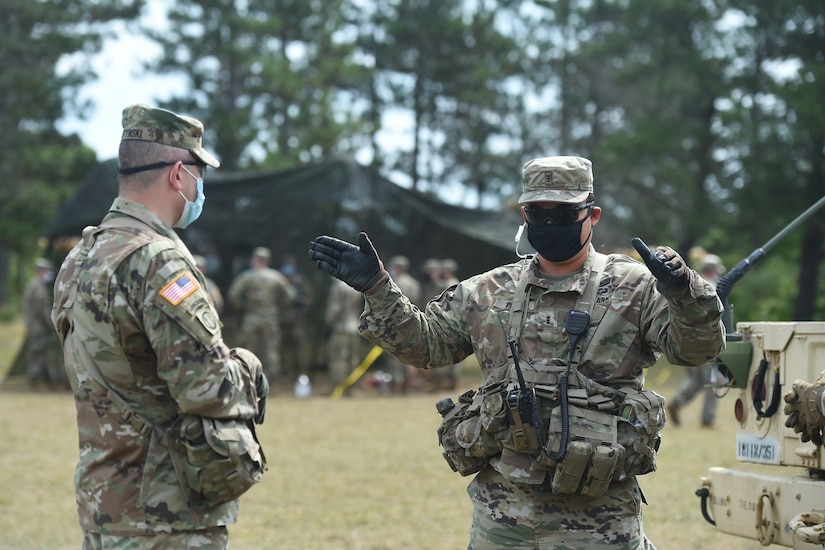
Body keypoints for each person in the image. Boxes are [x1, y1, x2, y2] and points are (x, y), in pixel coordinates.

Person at [309, 155, 725, 549]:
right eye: (537, 214)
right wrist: (378, 288)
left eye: (562, 215)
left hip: (600, 519)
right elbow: (427, 345)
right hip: (501, 515)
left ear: (592, 216)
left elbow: (695, 351)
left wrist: (684, 295)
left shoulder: (636, 286)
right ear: (524, 216)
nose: (548, 223)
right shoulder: (488, 290)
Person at [50, 103, 268, 549]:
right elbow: (207, 388)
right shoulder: (158, 262)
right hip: (166, 513)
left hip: (106, 504)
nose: (199, 185)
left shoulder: (82, 256)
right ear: (177, 174)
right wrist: (248, 366)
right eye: (198, 173)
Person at [667, 253, 726, 428]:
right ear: (712, 270)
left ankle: (677, 402)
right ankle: (707, 420)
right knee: (714, 381)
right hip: (707, 341)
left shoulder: (692, 285)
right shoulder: (712, 287)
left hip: (688, 340)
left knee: (696, 380)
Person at [228, 247, 297, 381]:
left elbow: (233, 295)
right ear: (267, 261)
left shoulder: (247, 276)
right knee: (271, 347)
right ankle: (271, 377)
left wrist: (242, 307)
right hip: (270, 316)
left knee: (247, 348)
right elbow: (291, 295)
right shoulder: (276, 276)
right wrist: (278, 307)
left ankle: (247, 375)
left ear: (255, 260)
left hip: (251, 316)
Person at [22, 257, 64, 389]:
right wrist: (50, 323)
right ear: (40, 271)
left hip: (37, 325)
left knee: (41, 351)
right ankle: (35, 378)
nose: (48, 273)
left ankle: (42, 378)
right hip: (38, 326)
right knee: (37, 351)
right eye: (46, 270)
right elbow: (41, 310)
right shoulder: (37, 287)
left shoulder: (36, 285)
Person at [385, 255, 421, 394]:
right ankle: (407, 386)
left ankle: (396, 387)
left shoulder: (393, 284)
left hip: (394, 325)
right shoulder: (414, 284)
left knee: (394, 357)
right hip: (410, 325)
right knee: (408, 355)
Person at [324, 278, 364, 394]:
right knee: (352, 359)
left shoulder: (338, 286)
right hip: (354, 326)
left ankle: (338, 387)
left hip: (340, 328)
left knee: (338, 358)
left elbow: (335, 308)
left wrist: (328, 322)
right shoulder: (355, 284)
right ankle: (351, 387)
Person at [278, 254, 312, 381]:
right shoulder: (277, 281)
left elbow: (307, 299)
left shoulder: (299, 282)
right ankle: (280, 375)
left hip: (296, 322)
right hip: (279, 322)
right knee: (277, 351)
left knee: (298, 351)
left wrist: (299, 309)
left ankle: (298, 375)